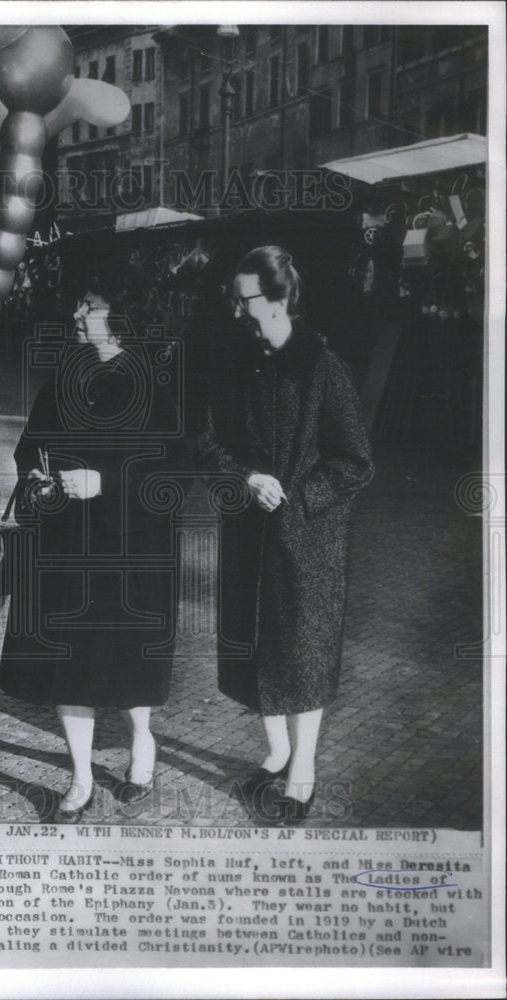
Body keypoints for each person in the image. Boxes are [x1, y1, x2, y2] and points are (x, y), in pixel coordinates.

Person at [0, 276, 191, 822]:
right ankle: (80, 779)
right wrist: (36, 476)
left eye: (92, 304)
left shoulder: (150, 381)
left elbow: (173, 473)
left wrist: (105, 484)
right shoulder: (66, 372)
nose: (79, 314)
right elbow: (31, 443)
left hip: (129, 550)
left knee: (126, 665)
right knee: (68, 665)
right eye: (80, 304)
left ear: (119, 317)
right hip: (65, 545)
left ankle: (141, 742)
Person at [198, 246, 373, 824]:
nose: (237, 310)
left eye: (244, 298)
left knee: (302, 658)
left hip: (308, 542)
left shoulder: (324, 369)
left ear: (279, 298)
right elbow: (207, 443)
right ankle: (275, 755)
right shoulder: (239, 363)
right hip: (251, 532)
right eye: (233, 298)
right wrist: (247, 478)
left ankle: (303, 773)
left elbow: (354, 461)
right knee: (255, 650)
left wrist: (298, 499)